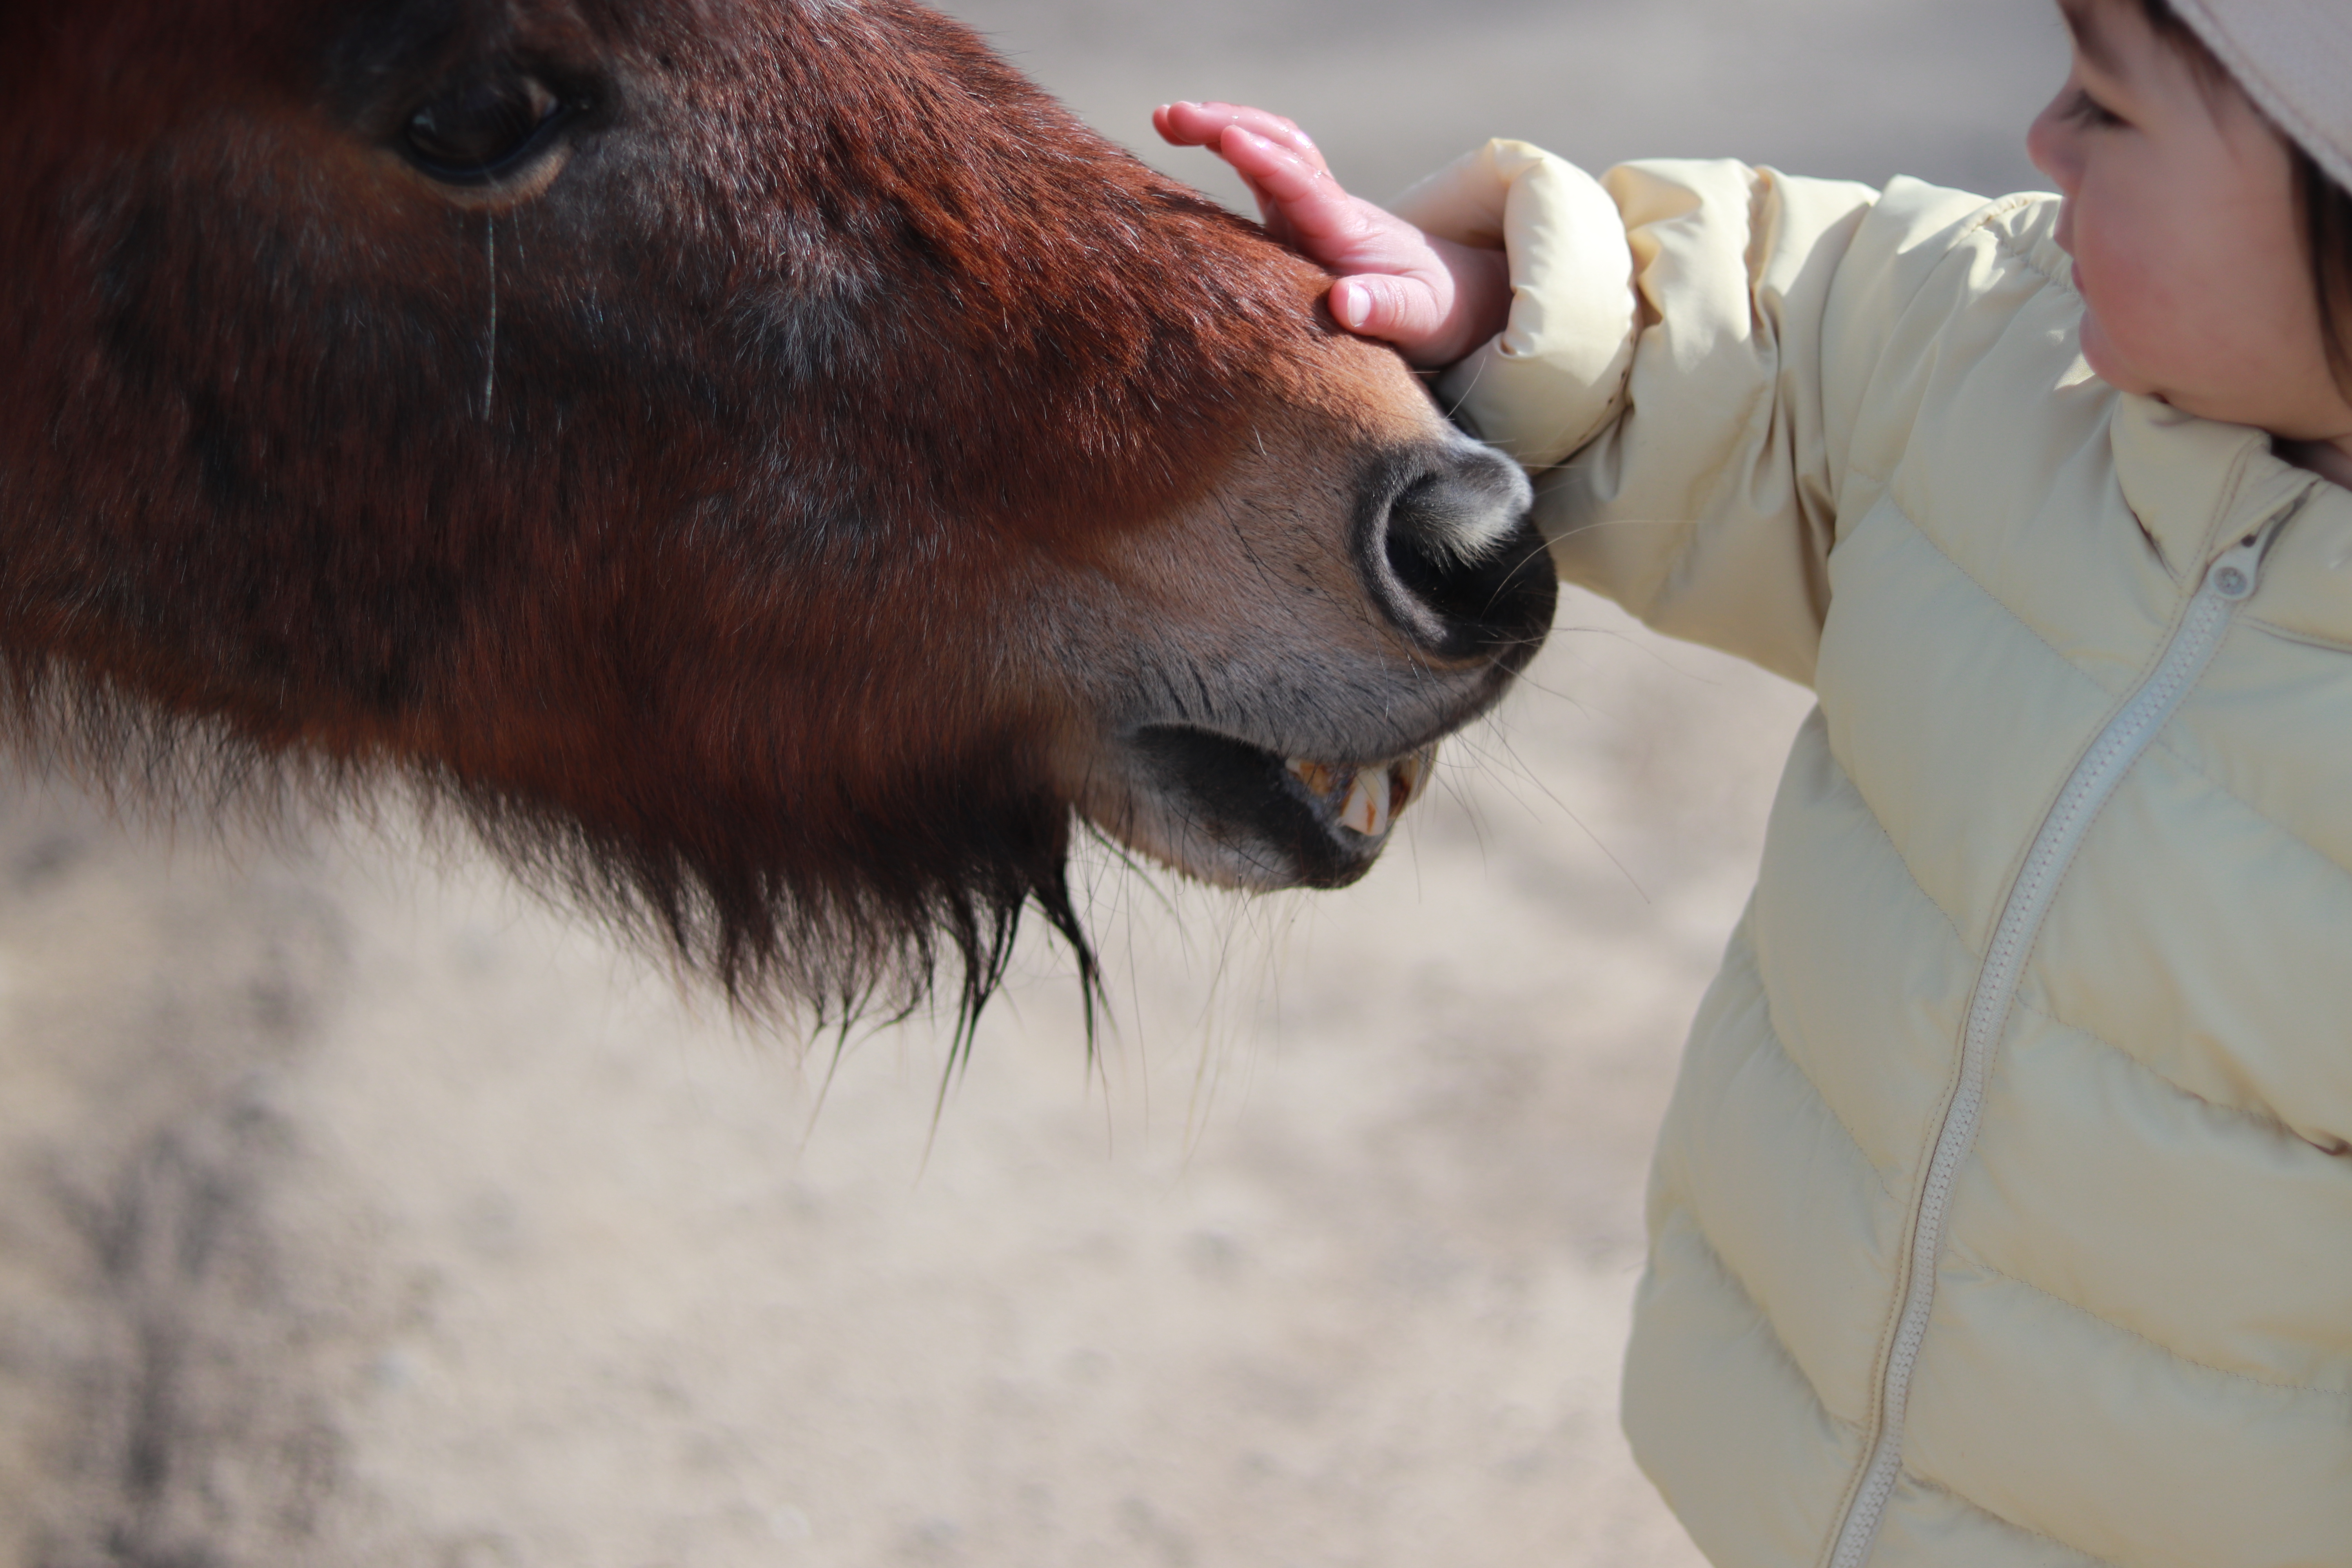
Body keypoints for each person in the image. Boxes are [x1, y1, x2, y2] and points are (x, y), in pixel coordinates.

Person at [1155, 1, 2352, 1564]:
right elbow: (1767, 337)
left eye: (2109, 112)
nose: (2041, 137)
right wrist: (1511, 312)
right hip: (1810, 1488)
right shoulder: (2010, 353)